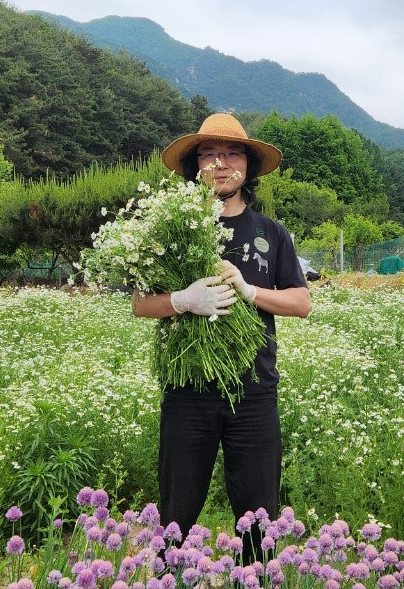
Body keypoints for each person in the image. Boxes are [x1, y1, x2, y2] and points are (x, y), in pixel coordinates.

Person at [132, 113, 311, 563]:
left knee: (258, 518)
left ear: (247, 166)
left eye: (232, 153)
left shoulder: (271, 233)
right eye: (209, 154)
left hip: (253, 391)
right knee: (176, 511)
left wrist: (251, 293)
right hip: (186, 392)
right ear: (196, 166)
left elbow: (302, 302)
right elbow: (139, 303)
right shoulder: (171, 231)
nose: (220, 163)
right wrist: (180, 300)